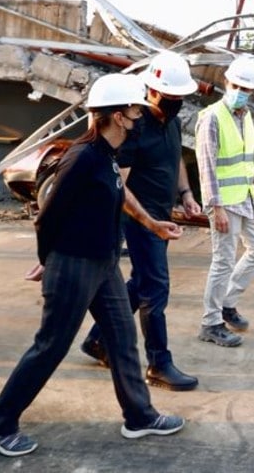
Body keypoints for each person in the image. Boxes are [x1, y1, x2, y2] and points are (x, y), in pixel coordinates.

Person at [0, 73, 185, 457]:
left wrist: (153, 224)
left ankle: (140, 415)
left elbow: (120, 197)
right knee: (50, 346)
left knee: (122, 340)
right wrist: (49, 260)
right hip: (74, 264)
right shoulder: (82, 158)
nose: (141, 116)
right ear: (118, 117)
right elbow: (47, 215)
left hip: (104, 264)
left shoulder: (107, 156)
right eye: (136, 110)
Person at [78, 52, 202, 391]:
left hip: (160, 216)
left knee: (140, 284)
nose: (176, 103)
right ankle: (159, 364)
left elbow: (175, 158)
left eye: (180, 98)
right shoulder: (135, 127)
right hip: (139, 219)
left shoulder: (172, 122)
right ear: (151, 90)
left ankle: (97, 340)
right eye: (170, 97)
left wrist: (187, 193)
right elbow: (120, 184)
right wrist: (148, 222)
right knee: (156, 289)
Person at [195, 55, 254, 348]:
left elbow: (242, 161)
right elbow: (207, 167)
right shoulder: (212, 118)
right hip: (224, 202)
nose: (241, 92)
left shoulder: (246, 116)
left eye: (247, 89)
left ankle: (227, 302)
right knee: (222, 261)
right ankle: (210, 323)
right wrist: (216, 207)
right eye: (237, 85)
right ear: (226, 82)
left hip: (246, 197)